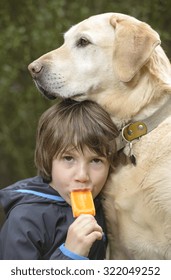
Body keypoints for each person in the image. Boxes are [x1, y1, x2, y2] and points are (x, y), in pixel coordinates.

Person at [0, 98, 119, 260]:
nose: (82, 176)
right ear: (48, 159)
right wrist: (70, 255)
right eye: (69, 158)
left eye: (96, 160)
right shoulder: (23, 221)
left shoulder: (105, 206)